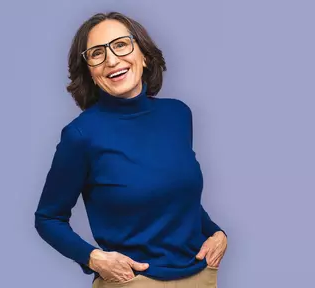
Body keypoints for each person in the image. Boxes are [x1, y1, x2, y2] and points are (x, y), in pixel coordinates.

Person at [34, 11, 228, 288]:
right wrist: (94, 258)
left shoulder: (178, 115)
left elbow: (175, 198)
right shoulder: (81, 135)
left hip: (199, 277)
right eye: (97, 54)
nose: (112, 60)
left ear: (144, 54)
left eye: (121, 45)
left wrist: (217, 233)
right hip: (132, 282)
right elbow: (48, 218)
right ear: (89, 70)